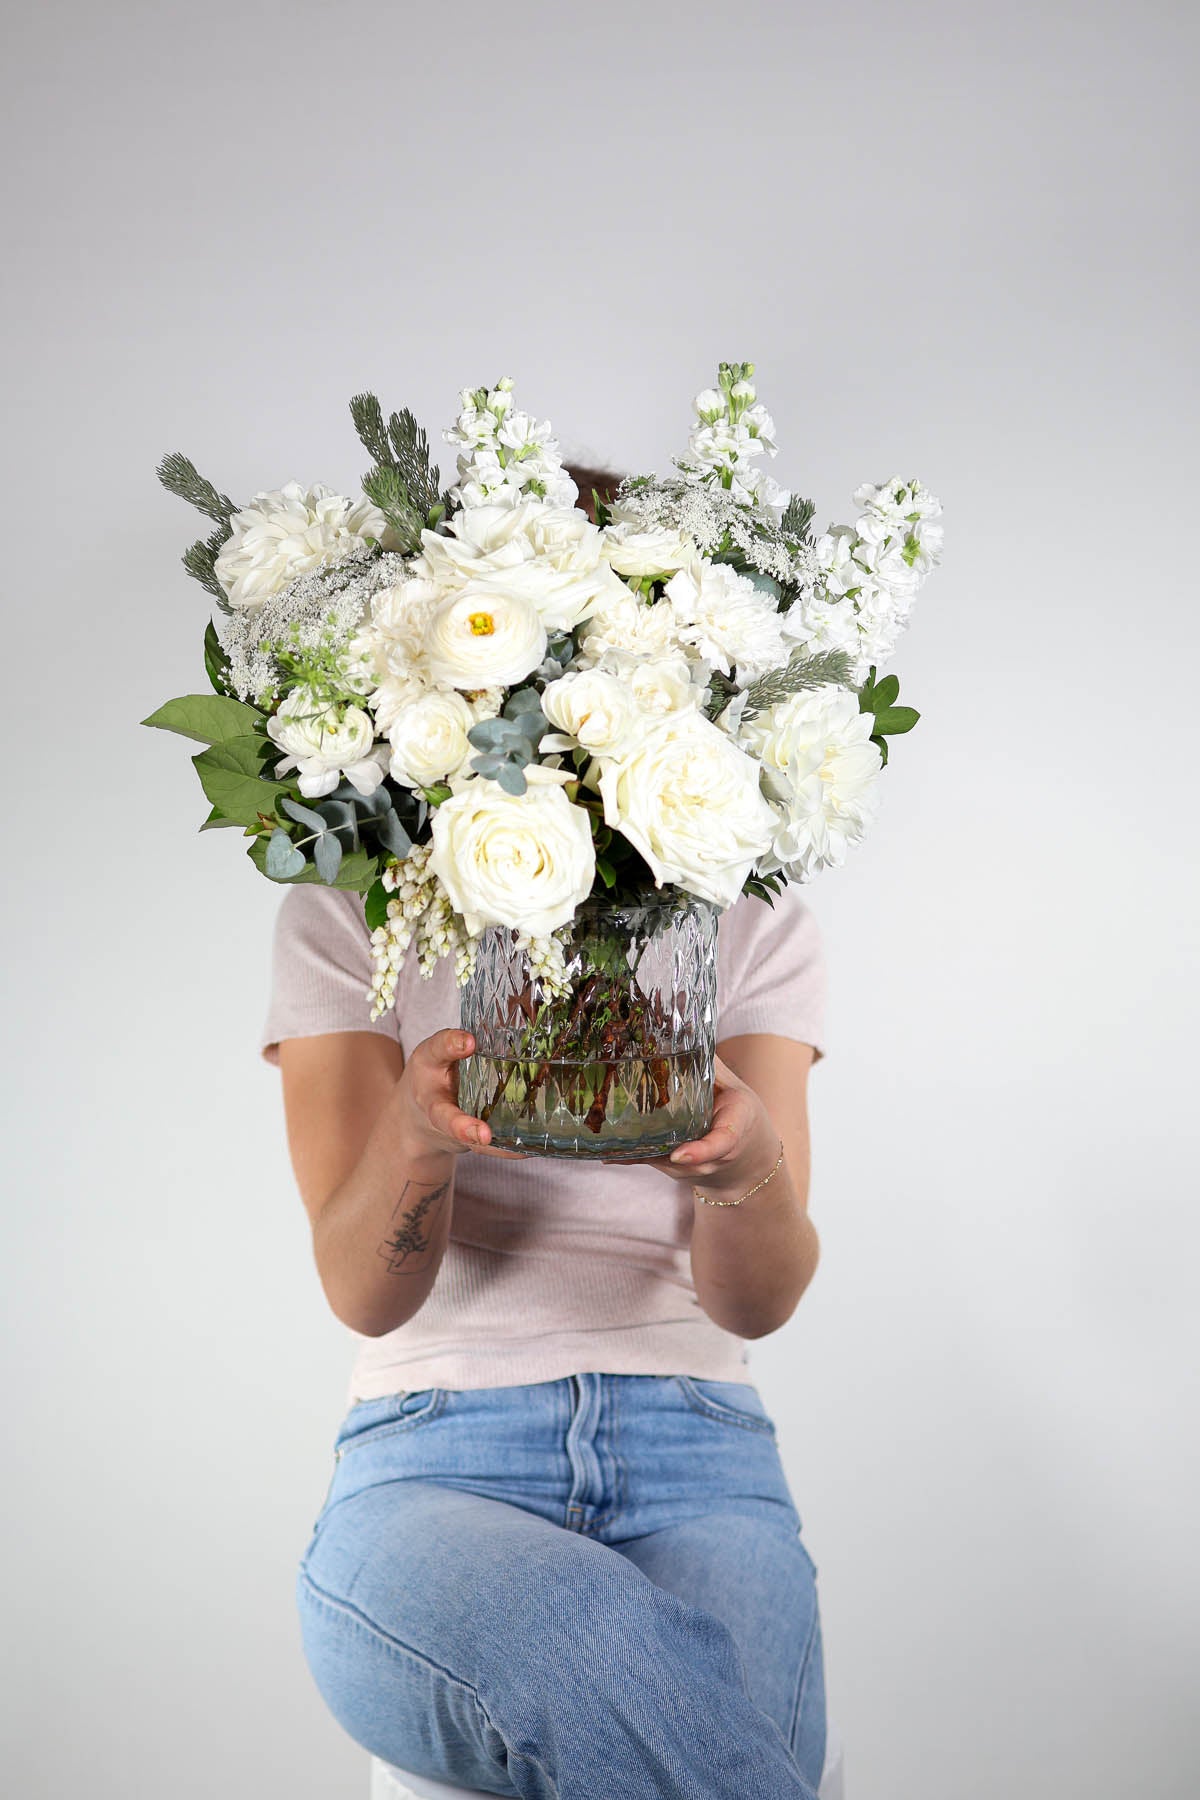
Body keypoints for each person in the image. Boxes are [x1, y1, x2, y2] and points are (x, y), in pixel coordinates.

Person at [261, 463, 830, 1800]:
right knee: (608, 1651)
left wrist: (748, 1174)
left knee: (699, 1725)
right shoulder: (360, 910)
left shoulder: (745, 913)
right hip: (430, 1469)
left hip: (703, 1450)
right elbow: (363, 1293)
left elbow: (763, 1296)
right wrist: (419, 1134)